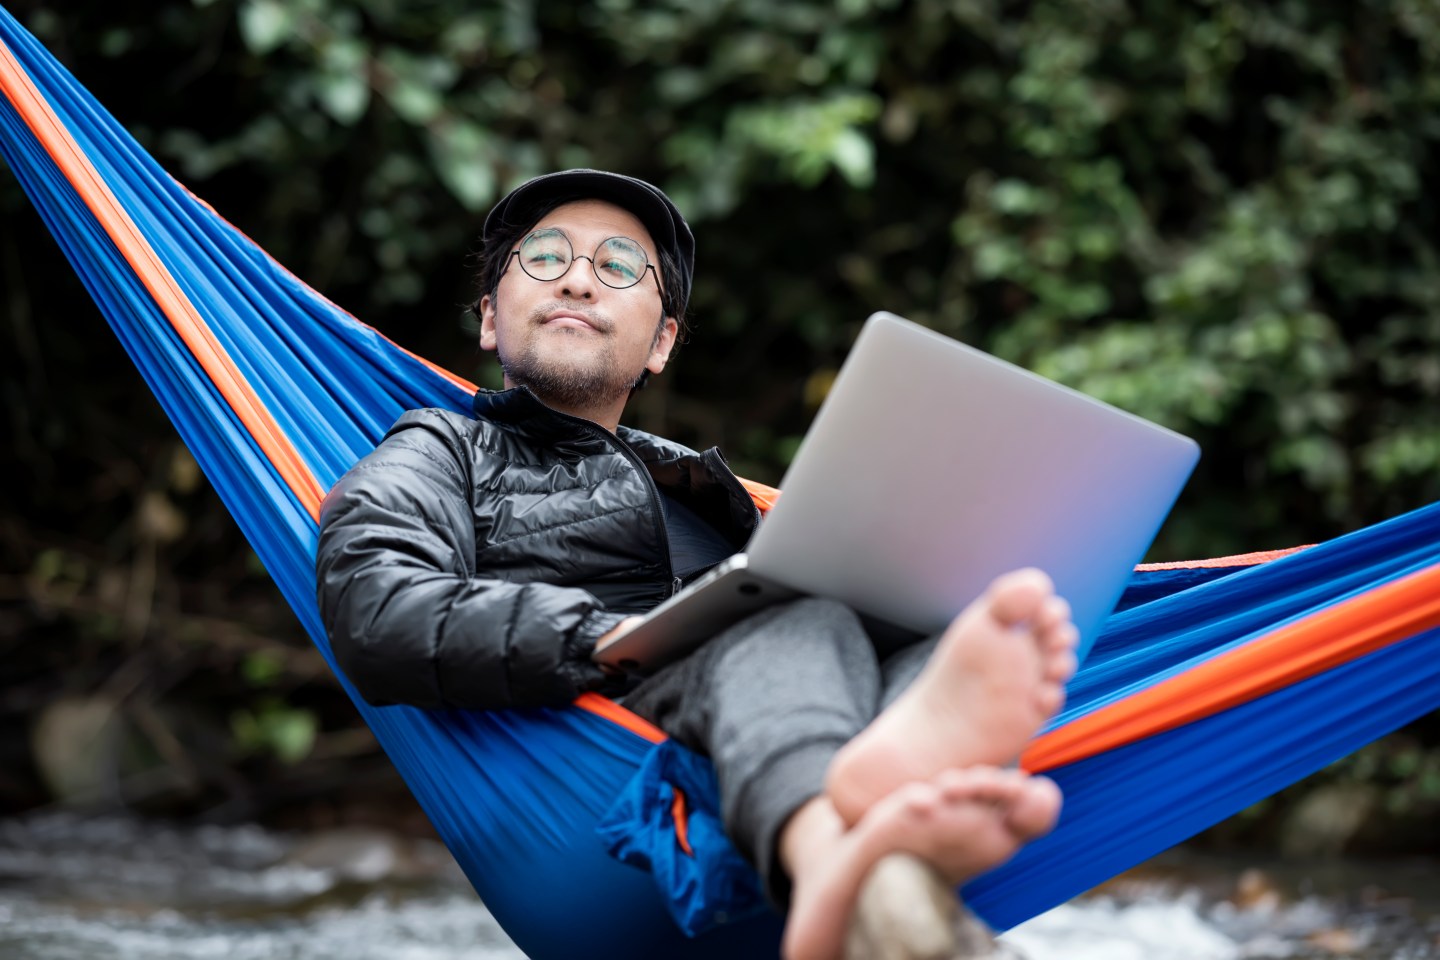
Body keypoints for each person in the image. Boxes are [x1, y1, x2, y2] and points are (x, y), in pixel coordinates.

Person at [315, 169, 1078, 960]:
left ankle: (883, 804)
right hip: (605, 776)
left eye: (617, 266)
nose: (578, 278)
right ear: (488, 320)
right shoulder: (444, 447)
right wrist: (620, 639)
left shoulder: (704, 486)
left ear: (662, 342)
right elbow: (375, 607)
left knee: (931, 638)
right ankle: (829, 848)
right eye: (544, 257)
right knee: (783, 620)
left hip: (772, 722)